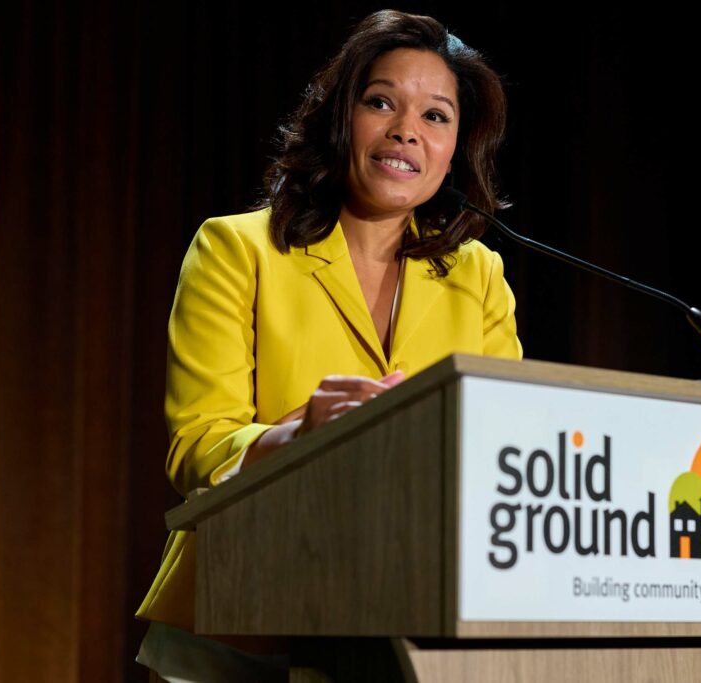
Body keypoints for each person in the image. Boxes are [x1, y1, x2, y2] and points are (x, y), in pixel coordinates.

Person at [135, 10, 522, 681]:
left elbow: (504, 450)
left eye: (436, 116)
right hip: (241, 617)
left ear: (456, 148)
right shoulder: (236, 249)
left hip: (408, 620)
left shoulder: (478, 274)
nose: (406, 129)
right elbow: (195, 444)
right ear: (342, 119)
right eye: (381, 102)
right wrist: (298, 440)